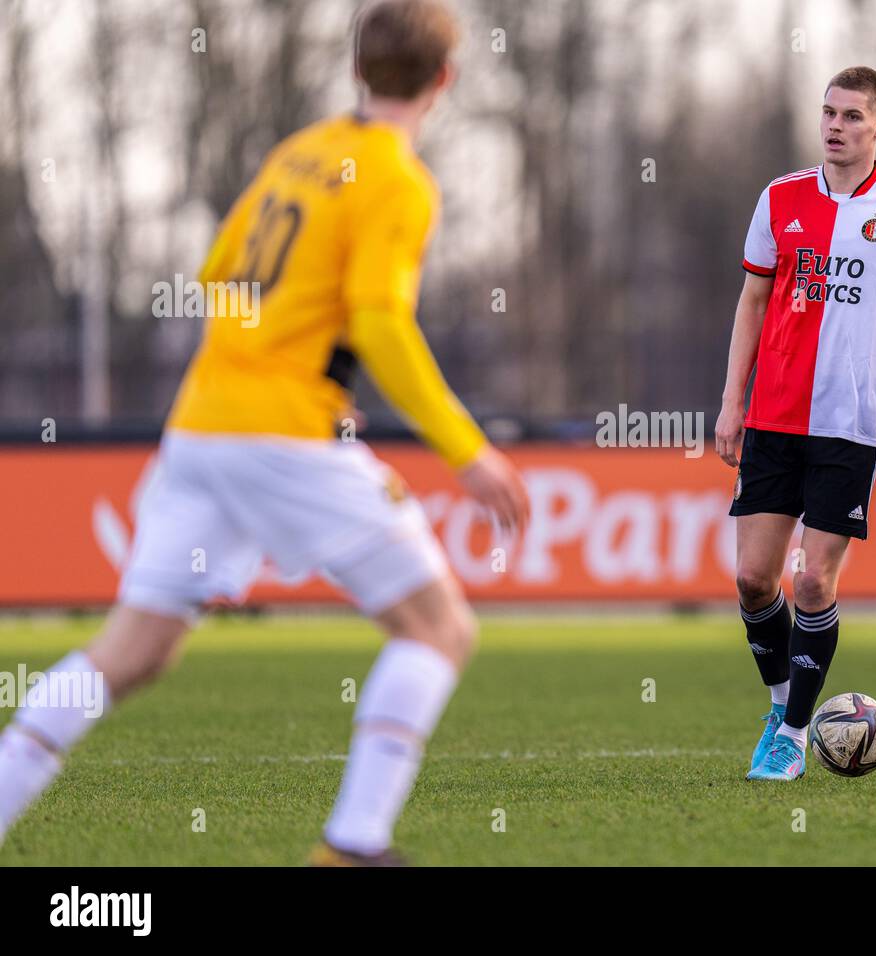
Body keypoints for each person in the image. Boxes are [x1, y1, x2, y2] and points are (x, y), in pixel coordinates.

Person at [0, 0, 529, 865]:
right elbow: (382, 323)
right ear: (445, 80)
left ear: (357, 69)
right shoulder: (395, 177)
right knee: (438, 629)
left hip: (201, 422)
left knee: (130, 653)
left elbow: (219, 274)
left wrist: (295, 356)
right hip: (280, 435)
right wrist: (468, 451)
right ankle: (353, 846)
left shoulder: (300, 152)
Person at [715, 66, 876, 781]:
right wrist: (733, 401)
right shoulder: (781, 198)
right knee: (754, 580)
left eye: (852, 116)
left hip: (850, 426)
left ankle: (791, 737)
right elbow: (752, 300)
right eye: (828, 112)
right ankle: (786, 701)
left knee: (812, 584)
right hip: (774, 418)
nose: (834, 125)